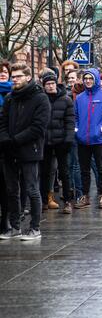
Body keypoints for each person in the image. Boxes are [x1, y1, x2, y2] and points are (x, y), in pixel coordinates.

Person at [0, 64, 50, 240]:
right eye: (13, 76)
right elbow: (3, 122)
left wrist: (15, 140)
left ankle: (34, 228)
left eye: (18, 76)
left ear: (28, 77)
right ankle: (14, 227)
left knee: (31, 189)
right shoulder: (9, 98)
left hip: (30, 149)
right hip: (9, 150)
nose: (14, 79)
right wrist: (5, 139)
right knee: (11, 190)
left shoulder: (40, 98)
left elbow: (38, 127)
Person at [73, 69, 102, 210]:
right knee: (84, 170)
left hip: (99, 140)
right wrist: (77, 130)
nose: (88, 81)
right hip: (82, 140)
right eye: (85, 78)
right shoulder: (79, 98)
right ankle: (85, 196)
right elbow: (75, 117)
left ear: (96, 79)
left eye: (90, 78)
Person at [39, 72, 75, 214]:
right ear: (44, 86)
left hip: (61, 140)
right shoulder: (41, 99)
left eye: (52, 83)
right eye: (48, 84)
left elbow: (70, 121)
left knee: (64, 172)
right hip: (46, 141)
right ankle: (44, 200)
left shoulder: (66, 99)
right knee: (45, 172)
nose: (51, 86)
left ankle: (67, 201)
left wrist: (68, 139)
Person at [0, 61, 12, 233]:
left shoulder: (14, 92)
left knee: (7, 183)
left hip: (8, 142)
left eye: (4, 71)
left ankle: (6, 219)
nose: (2, 74)